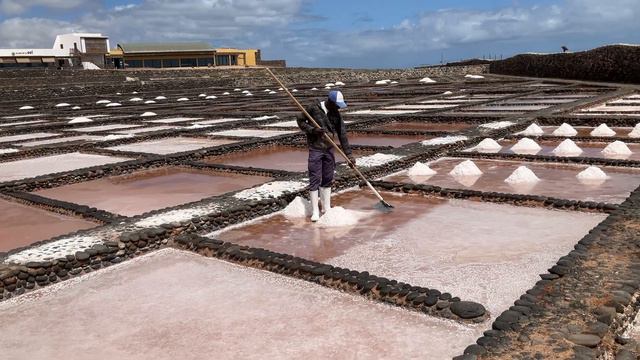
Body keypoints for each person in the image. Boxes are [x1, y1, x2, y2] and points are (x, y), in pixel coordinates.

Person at [297, 90, 355, 222]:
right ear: (330, 102)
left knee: (328, 177)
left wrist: (349, 156)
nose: (338, 108)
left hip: (329, 149)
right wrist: (313, 130)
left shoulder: (336, 114)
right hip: (315, 148)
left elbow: (342, 135)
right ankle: (315, 211)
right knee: (315, 178)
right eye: (337, 105)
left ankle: (326, 208)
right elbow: (300, 120)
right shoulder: (313, 108)